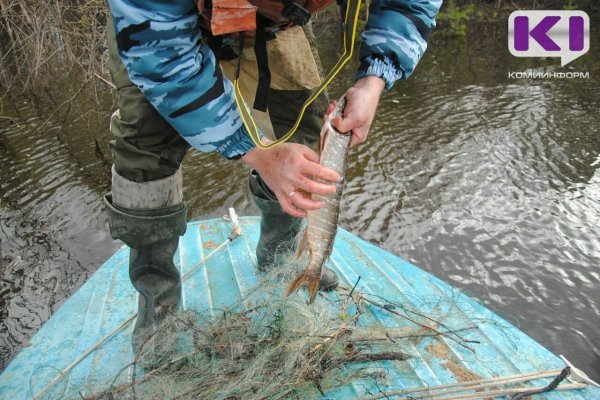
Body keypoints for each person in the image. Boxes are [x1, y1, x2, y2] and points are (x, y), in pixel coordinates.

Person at [104, 0, 441, 353]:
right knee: (144, 153)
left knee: (303, 134)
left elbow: (410, 4)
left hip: (276, 23)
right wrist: (258, 151)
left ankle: (279, 263)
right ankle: (159, 309)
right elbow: (162, 59)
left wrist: (375, 79)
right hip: (163, 32)